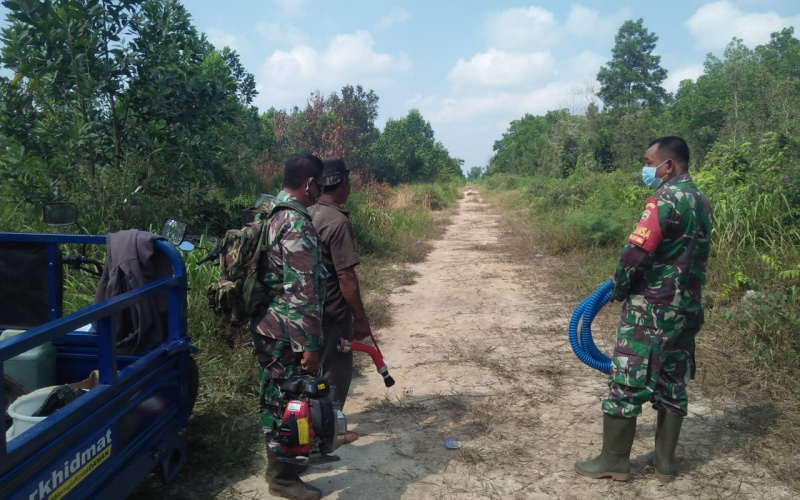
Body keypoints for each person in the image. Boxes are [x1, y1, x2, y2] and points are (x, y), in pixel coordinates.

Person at [574, 136, 713, 483]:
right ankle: (665, 464)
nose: (646, 167)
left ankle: (613, 461)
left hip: (653, 308)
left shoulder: (664, 198)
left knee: (628, 378)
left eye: (649, 161)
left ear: (668, 165)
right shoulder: (701, 200)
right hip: (687, 308)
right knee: (673, 380)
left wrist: (619, 286)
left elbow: (636, 252)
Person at [251, 153, 325, 500]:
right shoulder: (296, 223)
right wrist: (309, 344)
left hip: (268, 324)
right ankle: (284, 479)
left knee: (272, 398)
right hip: (287, 330)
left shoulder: (268, 212)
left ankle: (277, 469)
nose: (320, 191)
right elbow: (303, 289)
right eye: (319, 185)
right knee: (291, 402)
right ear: (309, 183)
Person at [309, 156, 371, 444]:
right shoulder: (337, 221)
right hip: (332, 313)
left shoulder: (307, 212)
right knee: (337, 372)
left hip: (304, 312)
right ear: (343, 183)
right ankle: (329, 432)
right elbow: (346, 277)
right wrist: (359, 317)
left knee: (311, 368)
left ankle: (309, 425)